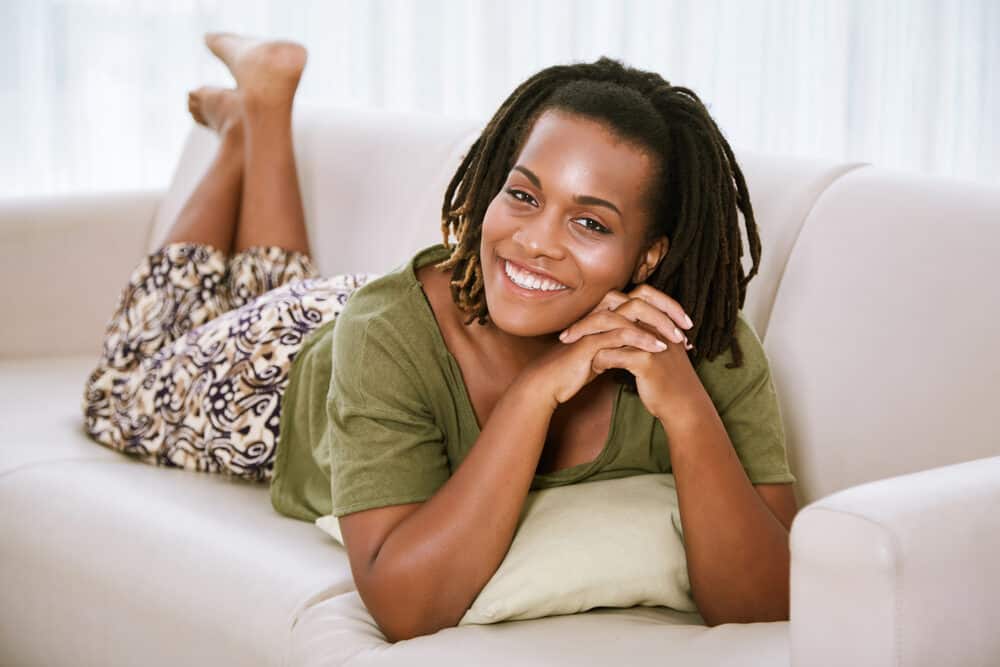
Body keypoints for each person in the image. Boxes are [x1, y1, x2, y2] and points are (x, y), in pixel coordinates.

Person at [82, 33, 799, 641]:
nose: (536, 242)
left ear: (650, 256)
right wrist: (537, 392)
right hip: (287, 368)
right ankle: (245, 130)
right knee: (118, 388)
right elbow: (407, 606)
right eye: (522, 195)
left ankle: (261, 109)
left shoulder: (698, 340)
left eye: (590, 222)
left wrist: (683, 407)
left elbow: (769, 601)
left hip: (394, 314)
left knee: (277, 282)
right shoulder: (388, 331)